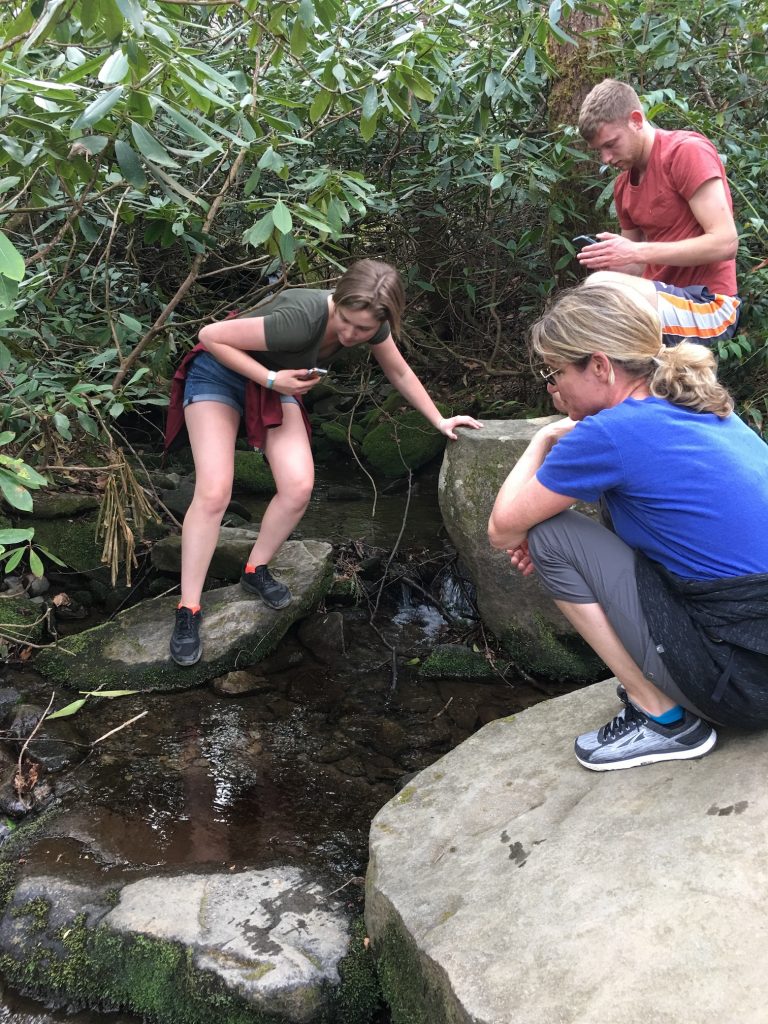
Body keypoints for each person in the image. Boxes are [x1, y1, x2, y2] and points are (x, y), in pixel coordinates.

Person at [487, 280, 768, 771]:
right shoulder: (702, 405)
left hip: (744, 683)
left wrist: (542, 441)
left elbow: (502, 530)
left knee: (549, 534)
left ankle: (663, 719)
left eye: (555, 373)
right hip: (753, 652)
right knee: (587, 515)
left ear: (599, 365)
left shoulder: (610, 433)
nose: (554, 390)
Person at [164, 258, 482, 666]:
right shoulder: (302, 317)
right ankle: (188, 609)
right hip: (221, 374)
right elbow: (209, 336)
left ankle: (254, 568)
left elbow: (399, 373)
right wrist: (272, 380)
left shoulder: (376, 322)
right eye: (346, 322)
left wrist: (439, 419)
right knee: (213, 492)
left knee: (298, 487)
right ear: (338, 301)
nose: (351, 335)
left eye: (363, 330)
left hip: (276, 380)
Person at [574, 78, 741, 347]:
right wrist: (613, 259)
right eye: (599, 151)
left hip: (710, 307)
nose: (605, 158)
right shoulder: (622, 186)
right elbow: (638, 266)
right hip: (660, 301)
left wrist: (634, 252)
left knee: (601, 288)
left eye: (611, 144)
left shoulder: (685, 152)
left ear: (636, 120)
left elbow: (726, 243)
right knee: (594, 294)